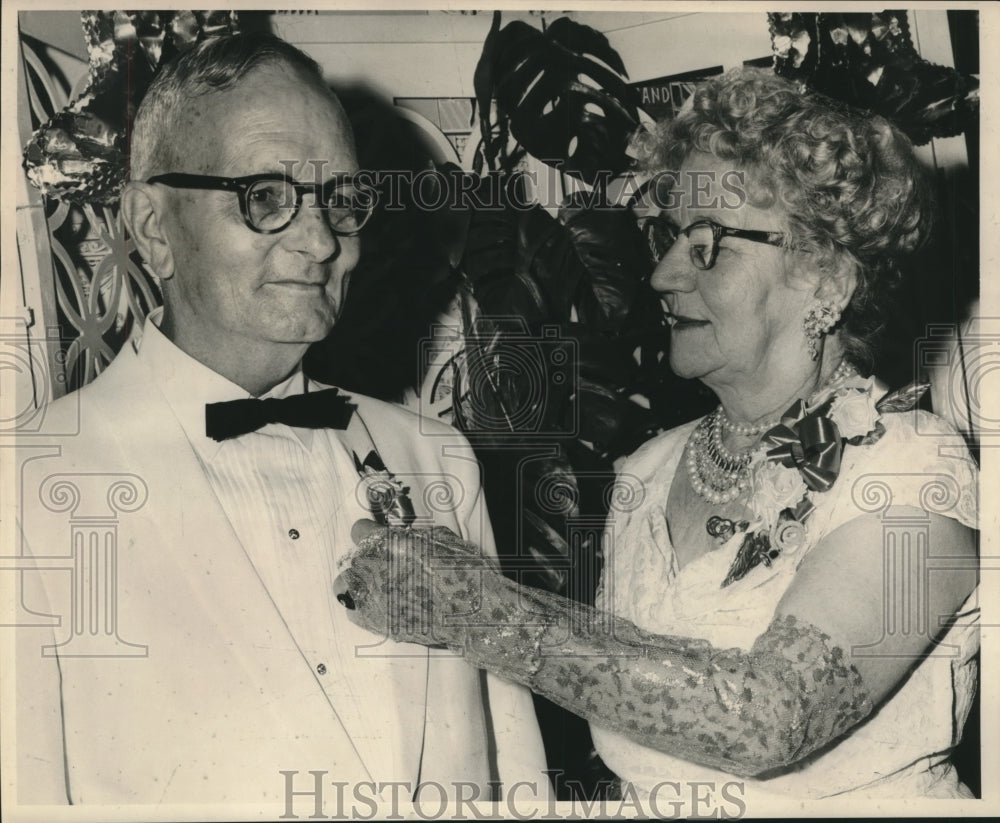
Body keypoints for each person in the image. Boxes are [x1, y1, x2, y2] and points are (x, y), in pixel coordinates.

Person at [337, 68, 980, 802]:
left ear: (827, 278)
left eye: (707, 244)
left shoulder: (912, 470)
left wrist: (478, 610)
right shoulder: (648, 468)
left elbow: (770, 718)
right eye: (671, 236)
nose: (663, 275)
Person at [13, 32, 548, 809]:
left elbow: (517, 782)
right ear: (153, 227)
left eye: (342, 200)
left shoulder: (437, 460)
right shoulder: (27, 487)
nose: (324, 241)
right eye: (265, 196)